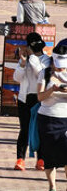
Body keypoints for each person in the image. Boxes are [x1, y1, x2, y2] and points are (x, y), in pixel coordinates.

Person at [13, 32, 51, 171]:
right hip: (24, 98)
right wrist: (22, 63)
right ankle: (20, 159)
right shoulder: (25, 60)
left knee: (40, 130)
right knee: (24, 130)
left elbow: (40, 73)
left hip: (39, 99)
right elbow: (17, 78)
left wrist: (33, 58)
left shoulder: (46, 60)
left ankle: (40, 159)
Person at [36, 44, 67, 191]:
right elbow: (40, 97)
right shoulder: (45, 73)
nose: (61, 69)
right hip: (47, 118)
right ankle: (52, 186)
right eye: (58, 66)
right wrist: (52, 89)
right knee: (49, 156)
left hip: (65, 119)